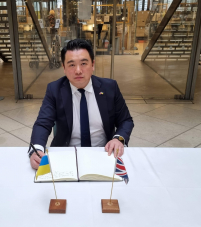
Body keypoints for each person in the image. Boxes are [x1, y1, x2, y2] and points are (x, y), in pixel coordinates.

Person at [29, 39, 134, 169]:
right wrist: (36, 149)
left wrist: (118, 139)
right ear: (64, 68)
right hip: (66, 155)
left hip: (103, 153)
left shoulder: (109, 87)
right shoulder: (54, 90)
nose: (78, 71)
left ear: (93, 65)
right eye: (72, 65)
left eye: (83, 63)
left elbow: (126, 120)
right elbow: (42, 123)